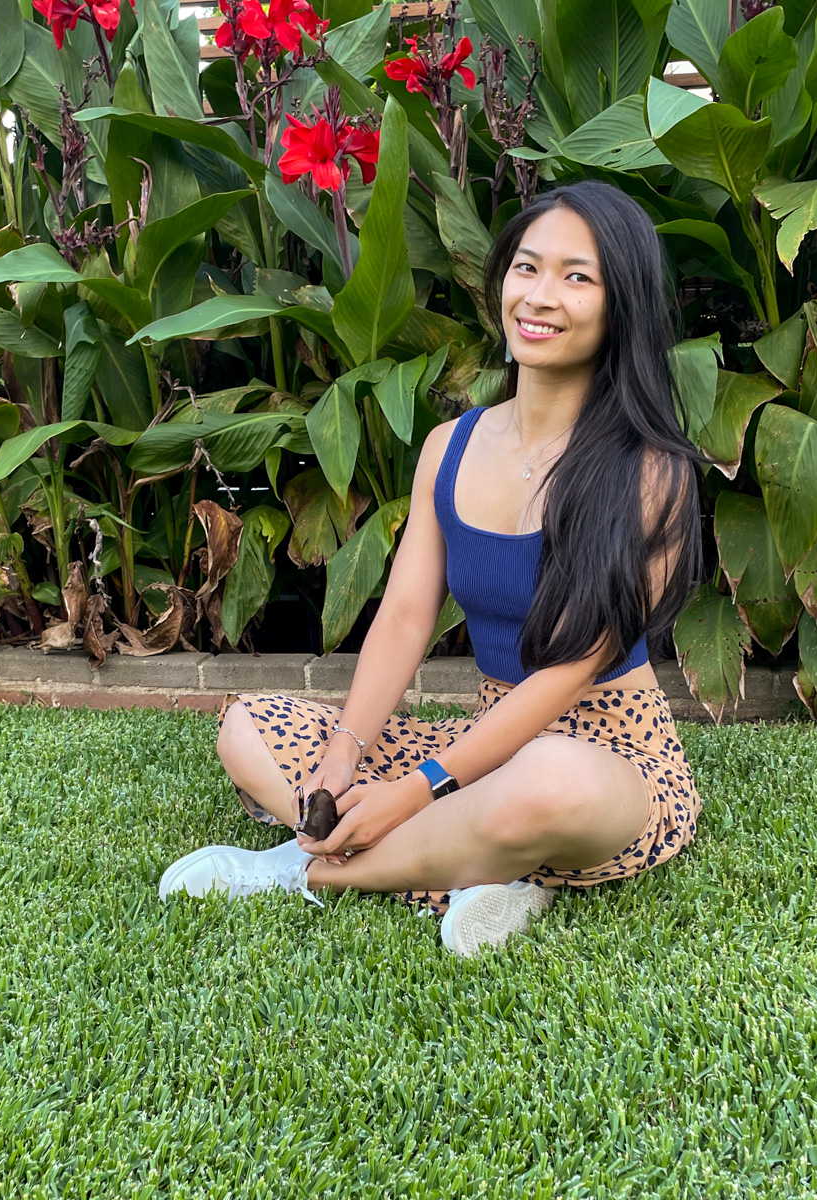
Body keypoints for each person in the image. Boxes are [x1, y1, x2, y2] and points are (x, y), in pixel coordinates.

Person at [158, 179, 705, 955]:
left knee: (548, 779)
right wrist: (344, 758)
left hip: (608, 757)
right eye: (526, 268)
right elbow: (408, 616)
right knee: (247, 728)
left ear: (622, 305)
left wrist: (415, 791)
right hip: (483, 740)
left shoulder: (653, 472)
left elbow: (570, 672)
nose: (540, 297)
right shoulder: (450, 448)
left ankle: (309, 873)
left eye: (577, 277)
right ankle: (484, 870)